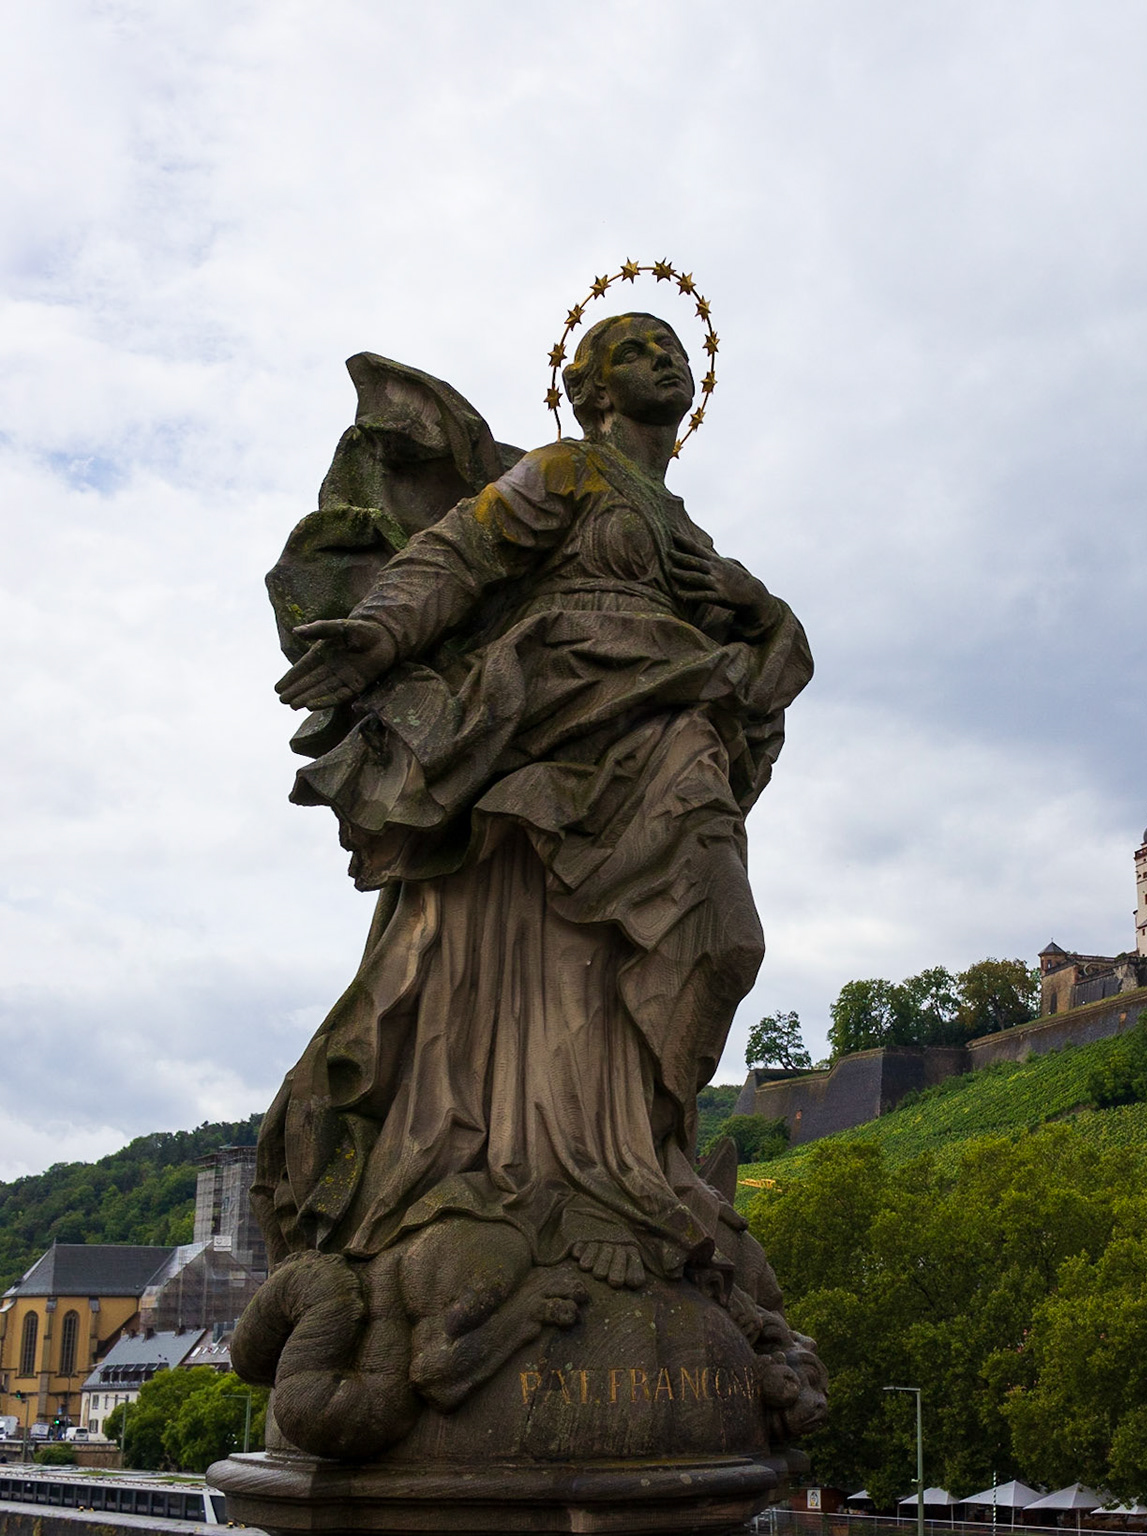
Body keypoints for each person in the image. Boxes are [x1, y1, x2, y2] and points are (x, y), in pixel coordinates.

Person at [260, 311, 812, 1298]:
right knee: (576, 967)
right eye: (636, 349)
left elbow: (781, 669)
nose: (665, 359)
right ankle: (603, 1181)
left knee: (725, 940)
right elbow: (456, 556)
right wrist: (382, 637)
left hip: (674, 727)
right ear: (594, 388)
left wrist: (756, 606)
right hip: (559, 721)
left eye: (674, 349)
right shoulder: (568, 472)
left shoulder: (687, 534)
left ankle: (642, 1158)